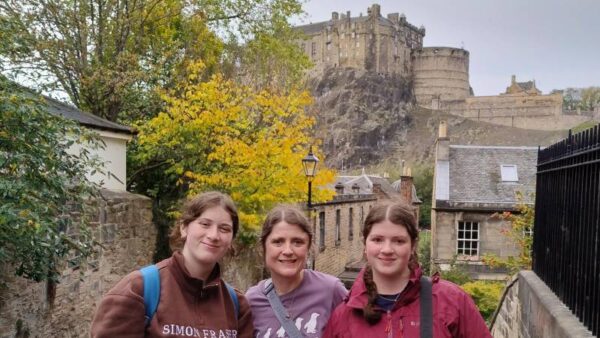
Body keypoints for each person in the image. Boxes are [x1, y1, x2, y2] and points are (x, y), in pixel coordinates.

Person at [91, 191, 253, 337]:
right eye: (205, 224)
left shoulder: (236, 305)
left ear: (231, 239)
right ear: (184, 228)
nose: (213, 235)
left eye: (224, 229)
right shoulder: (137, 290)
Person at [323, 200, 492, 338]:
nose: (387, 249)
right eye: (377, 239)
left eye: (399, 241)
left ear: (412, 246)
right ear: (365, 245)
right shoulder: (343, 316)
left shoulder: (451, 301)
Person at [246, 205, 348, 338]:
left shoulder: (330, 290)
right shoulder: (251, 300)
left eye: (297, 242)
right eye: (278, 242)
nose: (288, 251)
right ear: (263, 247)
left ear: (309, 247)